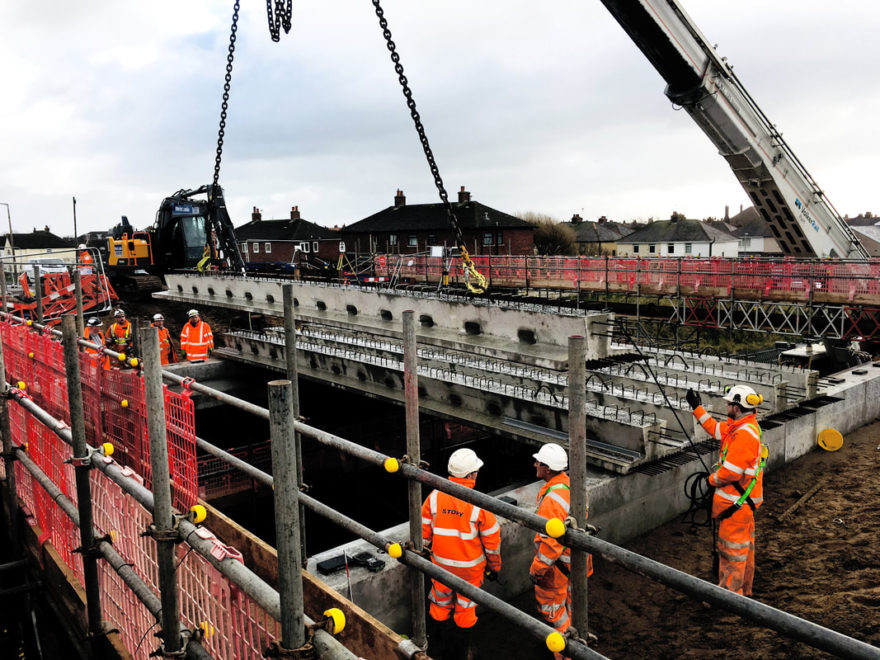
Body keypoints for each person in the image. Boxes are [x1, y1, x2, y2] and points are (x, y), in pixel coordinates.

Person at [686, 385, 765, 596]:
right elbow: (714, 428)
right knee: (743, 551)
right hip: (741, 505)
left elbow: (730, 472)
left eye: (729, 403)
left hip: (736, 505)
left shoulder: (744, 435)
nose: (726, 405)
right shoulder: (739, 427)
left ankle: (729, 596)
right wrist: (697, 408)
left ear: (737, 408)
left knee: (732, 553)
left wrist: (711, 480)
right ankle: (745, 590)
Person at [422, 448, 501, 660]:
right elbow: (493, 544)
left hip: (440, 568)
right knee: (465, 611)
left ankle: (435, 652)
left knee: (439, 607)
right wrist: (495, 567)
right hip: (469, 572)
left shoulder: (435, 497)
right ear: (470, 475)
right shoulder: (479, 504)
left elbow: (423, 536)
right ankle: (459, 653)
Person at [530, 442, 592, 655]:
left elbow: (550, 544)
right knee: (573, 607)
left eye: (538, 462)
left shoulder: (551, 500)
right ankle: (578, 641)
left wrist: (537, 571)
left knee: (553, 611)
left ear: (547, 469)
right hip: (576, 563)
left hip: (557, 568)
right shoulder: (571, 487)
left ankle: (567, 652)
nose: (535, 464)